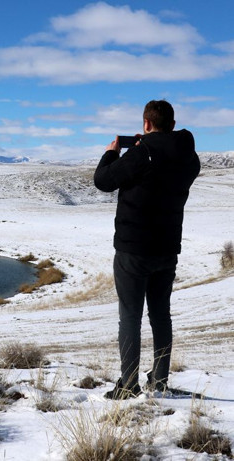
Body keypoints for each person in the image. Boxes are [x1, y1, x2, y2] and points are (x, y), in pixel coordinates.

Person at [93, 100, 200, 399]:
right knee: (161, 315)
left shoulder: (143, 153)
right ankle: (160, 380)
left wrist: (111, 154)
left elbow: (103, 181)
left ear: (146, 124)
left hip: (133, 248)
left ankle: (128, 384)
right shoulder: (189, 159)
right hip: (167, 248)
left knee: (130, 316)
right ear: (173, 125)